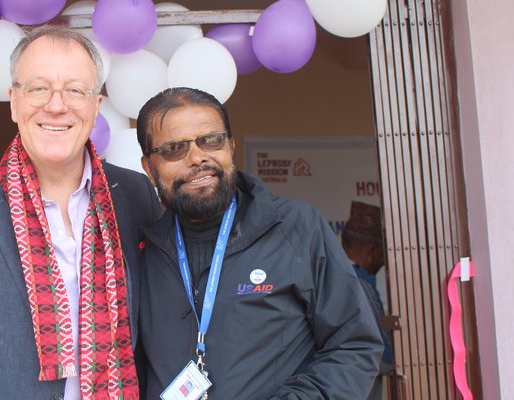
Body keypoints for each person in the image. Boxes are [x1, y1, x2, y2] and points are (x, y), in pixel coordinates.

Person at [0, 26, 159, 400]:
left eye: (74, 90)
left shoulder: (136, 197)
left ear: (95, 106)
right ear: (13, 101)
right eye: (39, 88)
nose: (56, 105)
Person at [135, 87, 383, 399]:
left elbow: (354, 344)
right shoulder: (142, 251)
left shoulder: (296, 228)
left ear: (231, 146)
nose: (197, 158)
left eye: (211, 140)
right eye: (174, 149)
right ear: (149, 167)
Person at [341, 201, 394, 400]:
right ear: (373, 251)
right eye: (383, 250)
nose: (385, 257)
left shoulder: (342, 280)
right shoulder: (360, 286)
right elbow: (381, 353)